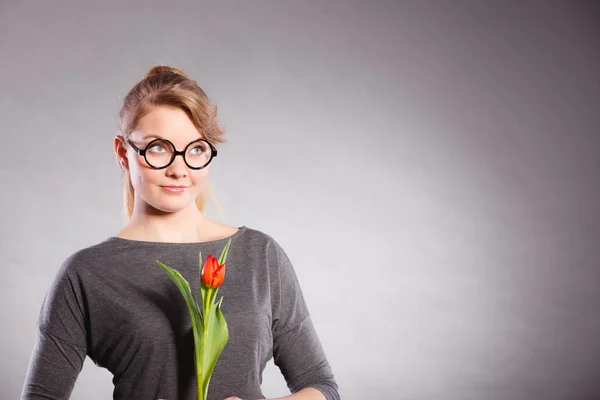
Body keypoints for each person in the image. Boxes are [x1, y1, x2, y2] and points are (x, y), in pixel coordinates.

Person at [21, 66, 340, 400]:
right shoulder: (86, 274)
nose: (179, 169)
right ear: (122, 153)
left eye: (196, 149)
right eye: (158, 148)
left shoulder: (259, 255)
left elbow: (321, 386)